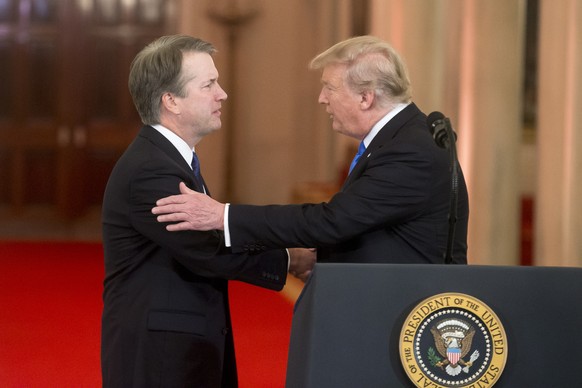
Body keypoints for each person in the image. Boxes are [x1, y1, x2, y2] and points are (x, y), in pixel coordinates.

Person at [152, 35, 469, 274]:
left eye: (329, 88)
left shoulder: (411, 150)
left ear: (365, 97)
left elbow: (333, 221)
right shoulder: (399, 138)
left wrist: (221, 215)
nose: (321, 99)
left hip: (404, 318)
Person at [101, 35, 314, 388]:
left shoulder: (168, 160)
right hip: (161, 355)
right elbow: (207, 249)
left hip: (180, 342)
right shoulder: (152, 170)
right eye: (209, 84)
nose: (222, 94)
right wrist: (290, 260)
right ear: (171, 101)